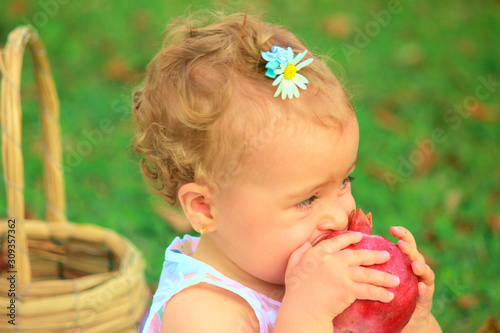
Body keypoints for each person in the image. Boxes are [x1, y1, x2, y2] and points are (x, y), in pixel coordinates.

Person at [133, 11, 442, 333]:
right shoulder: (201, 312)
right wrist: (307, 314)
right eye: (307, 199)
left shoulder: (321, 277)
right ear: (205, 208)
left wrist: (410, 318)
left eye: (344, 182)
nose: (338, 217)